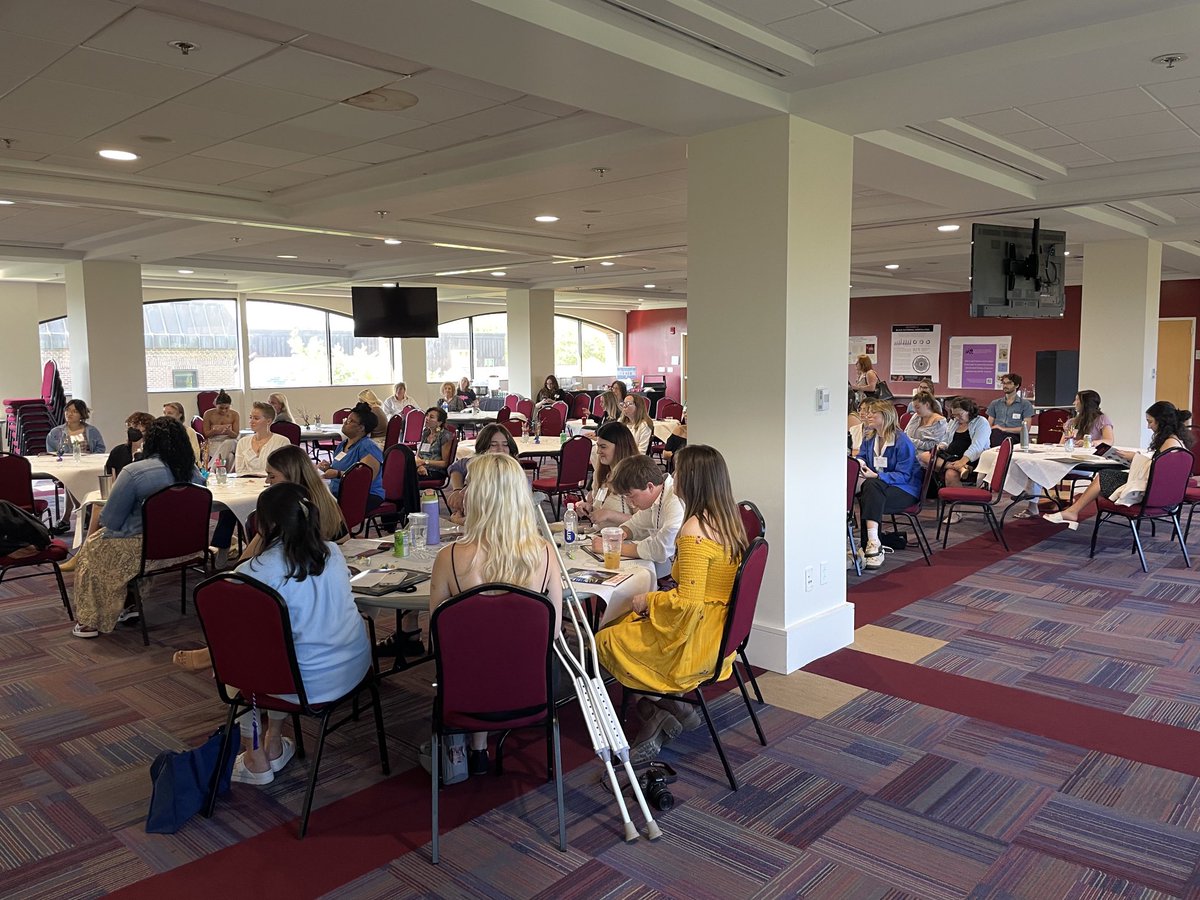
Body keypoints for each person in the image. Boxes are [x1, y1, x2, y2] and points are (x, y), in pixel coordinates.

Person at [595, 445, 748, 765]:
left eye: (677, 472)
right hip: (722, 630)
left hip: (698, 639)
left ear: (690, 480)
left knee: (606, 638)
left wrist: (648, 599)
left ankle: (658, 713)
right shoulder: (728, 520)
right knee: (623, 626)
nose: (672, 477)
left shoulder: (694, 531)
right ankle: (664, 709)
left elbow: (687, 604)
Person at [226, 482, 372, 785]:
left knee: (231, 660)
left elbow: (238, 635)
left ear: (266, 525)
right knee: (278, 646)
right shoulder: (332, 552)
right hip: (355, 668)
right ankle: (275, 740)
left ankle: (255, 757)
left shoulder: (253, 572)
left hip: (304, 683)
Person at [427, 453, 562, 775]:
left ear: (480, 496)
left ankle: (474, 748)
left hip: (465, 694)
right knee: (499, 652)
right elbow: (554, 631)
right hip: (533, 689)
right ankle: (477, 746)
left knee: (475, 654)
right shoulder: (544, 552)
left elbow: (437, 637)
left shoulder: (449, 558)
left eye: (471, 484)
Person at [172, 445, 350, 672]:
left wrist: (261, 538)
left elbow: (240, 572)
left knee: (252, 606)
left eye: (272, 476)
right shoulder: (322, 502)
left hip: (302, 582)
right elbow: (344, 539)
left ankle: (219, 658)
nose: (267, 482)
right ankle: (218, 655)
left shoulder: (288, 518)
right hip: (326, 589)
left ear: (292, 477)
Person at [69, 418, 204, 638]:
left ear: (149, 440)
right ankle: (130, 604)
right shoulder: (191, 472)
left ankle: (90, 621)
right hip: (185, 546)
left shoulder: (133, 472)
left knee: (92, 550)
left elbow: (111, 520)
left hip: (144, 548)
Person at [1046, 401, 1194, 529]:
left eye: (1150, 422)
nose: (1149, 427)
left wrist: (1135, 458)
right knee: (1108, 474)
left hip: (1151, 496)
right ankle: (1073, 511)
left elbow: (1155, 469)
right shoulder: (1177, 442)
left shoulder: (1168, 443)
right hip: (1167, 497)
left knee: (1104, 476)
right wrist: (1134, 459)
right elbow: (1159, 468)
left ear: (1162, 421)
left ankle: (1073, 511)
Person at [209, 402, 292, 567]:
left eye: (256, 418)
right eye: (251, 418)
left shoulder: (281, 441)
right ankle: (222, 548)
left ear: (268, 421)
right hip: (246, 484)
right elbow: (240, 470)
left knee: (255, 503)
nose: (252, 421)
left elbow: (282, 471)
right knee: (230, 505)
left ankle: (257, 549)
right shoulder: (243, 442)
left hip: (270, 486)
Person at [591, 455, 684, 579]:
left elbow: (660, 549)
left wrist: (612, 548)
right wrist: (620, 533)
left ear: (650, 487)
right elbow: (637, 523)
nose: (630, 502)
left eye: (631, 496)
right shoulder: (657, 496)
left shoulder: (674, 500)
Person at [855, 400, 922, 570]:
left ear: (886, 416)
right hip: (879, 487)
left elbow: (904, 475)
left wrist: (878, 475)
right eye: (868, 412)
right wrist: (861, 464)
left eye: (873, 413)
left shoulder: (902, 441)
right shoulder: (870, 437)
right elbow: (862, 455)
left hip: (904, 489)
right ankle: (873, 543)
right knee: (870, 489)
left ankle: (870, 544)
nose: (868, 416)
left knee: (870, 490)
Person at [445, 423, 518, 524]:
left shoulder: (513, 477)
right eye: (493, 445)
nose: (501, 449)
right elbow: (457, 466)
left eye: (505, 445)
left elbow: (498, 521)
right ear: (483, 448)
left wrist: (460, 521)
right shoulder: (477, 465)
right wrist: (457, 489)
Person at [317, 402, 384, 511]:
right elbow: (341, 468)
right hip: (339, 492)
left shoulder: (368, 447)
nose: (345, 423)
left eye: (350, 421)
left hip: (364, 495)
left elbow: (364, 478)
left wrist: (337, 474)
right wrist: (328, 467)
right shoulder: (342, 445)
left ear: (361, 428)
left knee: (321, 510)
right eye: (346, 419)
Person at [577, 422, 639, 527]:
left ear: (620, 447)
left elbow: (644, 523)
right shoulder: (604, 474)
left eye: (603, 447)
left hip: (622, 540)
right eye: (598, 446)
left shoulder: (634, 479)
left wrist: (609, 515)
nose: (598, 451)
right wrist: (588, 507)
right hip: (599, 536)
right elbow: (597, 505)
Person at [934, 397, 991, 495]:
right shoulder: (953, 422)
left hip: (971, 459)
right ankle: (960, 468)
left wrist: (962, 461)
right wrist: (941, 446)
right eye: (954, 415)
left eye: (960, 415)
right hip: (951, 457)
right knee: (924, 457)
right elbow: (946, 439)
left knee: (950, 474)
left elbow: (977, 446)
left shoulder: (981, 422)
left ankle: (957, 505)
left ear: (969, 411)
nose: (956, 418)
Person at [904, 391, 949, 467]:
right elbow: (905, 433)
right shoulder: (916, 416)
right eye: (914, 407)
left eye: (918, 407)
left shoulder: (940, 422)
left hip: (924, 456)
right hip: (908, 451)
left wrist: (911, 441)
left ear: (927, 405)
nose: (915, 410)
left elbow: (933, 445)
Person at [104, 412, 155, 478]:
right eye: (130, 427)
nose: (132, 430)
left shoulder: (153, 452)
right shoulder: (118, 451)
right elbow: (110, 474)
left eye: (137, 427)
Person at [202, 390, 240, 467]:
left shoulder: (235, 414)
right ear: (215, 405)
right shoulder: (208, 414)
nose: (224, 410)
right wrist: (214, 431)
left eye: (227, 408)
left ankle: (212, 467)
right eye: (221, 408)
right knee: (230, 457)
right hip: (214, 442)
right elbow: (206, 434)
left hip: (230, 440)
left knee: (228, 443)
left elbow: (235, 434)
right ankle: (224, 474)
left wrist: (229, 432)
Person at [414, 407, 453, 477]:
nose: (427, 418)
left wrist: (424, 462)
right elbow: (417, 455)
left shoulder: (445, 436)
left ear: (439, 422)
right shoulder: (426, 433)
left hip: (436, 471)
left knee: (406, 477)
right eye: (427, 415)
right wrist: (420, 466)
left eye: (431, 417)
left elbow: (445, 463)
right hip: (421, 468)